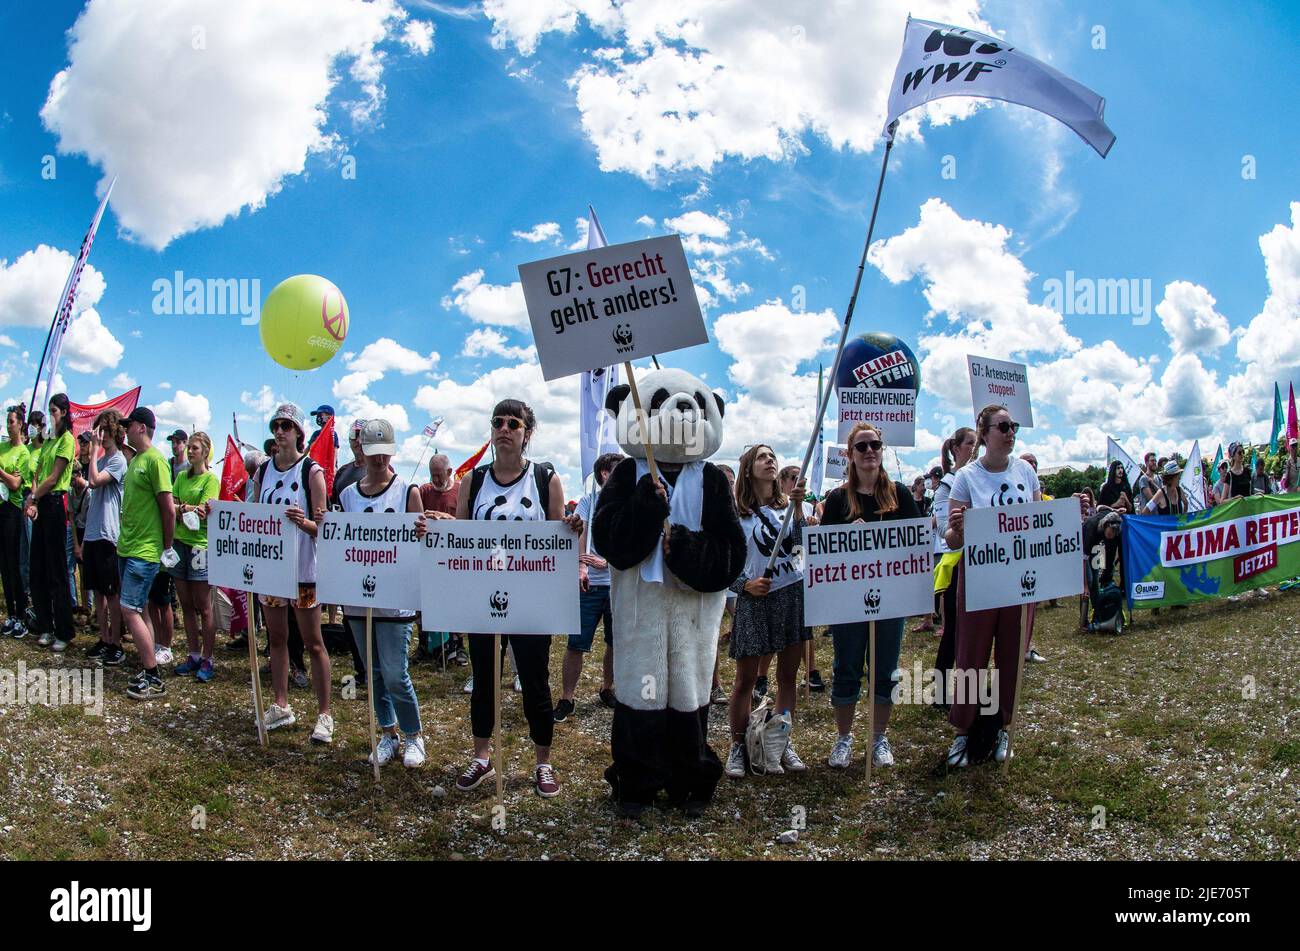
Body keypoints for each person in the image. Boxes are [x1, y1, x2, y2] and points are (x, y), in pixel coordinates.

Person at [451, 398, 582, 797]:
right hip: (484, 598)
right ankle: (482, 757)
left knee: (535, 680)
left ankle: (543, 762)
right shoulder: (473, 481)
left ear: (527, 433)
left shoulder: (545, 479)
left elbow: (559, 537)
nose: (504, 429)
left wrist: (572, 527)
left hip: (531, 602)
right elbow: (459, 538)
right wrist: (435, 535)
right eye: (498, 422)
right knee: (485, 679)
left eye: (514, 423)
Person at [944, 405, 1083, 766]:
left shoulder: (1026, 472)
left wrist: (1073, 513)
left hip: (1020, 583)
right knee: (971, 658)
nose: (1011, 432)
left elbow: (1041, 522)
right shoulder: (966, 477)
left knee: (1011, 657)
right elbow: (951, 539)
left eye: (1014, 426)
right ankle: (963, 733)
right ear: (985, 433)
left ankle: (1005, 727)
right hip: (979, 581)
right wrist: (957, 530)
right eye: (1003, 426)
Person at [820, 423, 921, 769]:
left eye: (874, 444)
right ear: (849, 455)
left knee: (886, 670)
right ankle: (844, 738)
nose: (869, 451)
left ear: (882, 449)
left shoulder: (901, 494)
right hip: (848, 601)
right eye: (861, 447)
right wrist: (849, 538)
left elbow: (915, 546)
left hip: (890, 598)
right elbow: (824, 553)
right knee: (846, 667)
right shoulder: (836, 499)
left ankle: (878, 737)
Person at [342, 418, 427, 769]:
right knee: (373, 672)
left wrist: (423, 531)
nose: (378, 460)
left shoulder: (407, 492)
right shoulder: (347, 495)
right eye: (371, 452)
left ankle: (413, 735)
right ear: (361, 450)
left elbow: (420, 544)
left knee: (395, 672)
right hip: (359, 598)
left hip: (395, 600)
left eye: (383, 453)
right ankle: (387, 732)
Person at [723, 444, 811, 778]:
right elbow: (726, 562)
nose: (770, 460)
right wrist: (744, 585)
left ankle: (780, 741)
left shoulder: (788, 507)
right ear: (747, 469)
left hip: (791, 597)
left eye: (772, 455)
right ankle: (737, 746)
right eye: (762, 457)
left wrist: (800, 510)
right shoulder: (736, 515)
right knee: (746, 680)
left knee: (788, 677)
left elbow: (803, 554)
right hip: (755, 601)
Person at [249, 403, 333, 742]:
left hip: (304, 571)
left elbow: (325, 528)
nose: (280, 431)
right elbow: (252, 518)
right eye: (276, 425)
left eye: (286, 425)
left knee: (314, 643)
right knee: (277, 639)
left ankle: (325, 713)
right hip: (272, 571)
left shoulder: (311, 472)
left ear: (299, 432)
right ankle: (280, 704)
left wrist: (305, 523)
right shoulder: (262, 472)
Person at [555, 451, 622, 722]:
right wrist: (582, 567)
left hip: (618, 585)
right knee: (576, 643)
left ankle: (608, 688)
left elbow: (631, 545)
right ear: (605, 473)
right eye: (618, 469)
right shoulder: (588, 501)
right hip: (590, 586)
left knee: (615, 642)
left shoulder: (628, 505)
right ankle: (567, 698)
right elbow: (578, 532)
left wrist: (607, 563)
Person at [116, 406, 176, 700]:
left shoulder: (156, 460)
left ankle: (153, 676)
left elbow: (168, 508)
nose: (126, 429)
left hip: (145, 550)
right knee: (139, 609)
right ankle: (147, 664)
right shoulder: (136, 460)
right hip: (127, 546)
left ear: (142, 427)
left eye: (129, 424)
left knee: (129, 609)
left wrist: (166, 546)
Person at [25, 393, 77, 652]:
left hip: (55, 504)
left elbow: (55, 476)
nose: (51, 414)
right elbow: (37, 473)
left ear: (65, 412)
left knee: (57, 571)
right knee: (38, 569)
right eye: (50, 410)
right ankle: (45, 625)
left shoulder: (67, 441)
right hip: (41, 505)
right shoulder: (47, 441)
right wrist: (33, 501)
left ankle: (64, 630)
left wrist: (34, 495)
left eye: (55, 410)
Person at [169, 432, 222, 682]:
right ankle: (193, 654)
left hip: (201, 545)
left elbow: (202, 512)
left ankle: (208, 657)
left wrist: (183, 509)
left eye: (195, 448)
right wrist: (185, 509)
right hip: (180, 543)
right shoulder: (180, 476)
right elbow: (174, 506)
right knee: (186, 604)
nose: (190, 452)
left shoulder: (211, 479)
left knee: (204, 606)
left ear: (206, 451)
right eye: (189, 447)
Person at [81, 410, 130, 666]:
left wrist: (94, 450)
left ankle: (116, 641)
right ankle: (103, 637)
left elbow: (95, 481)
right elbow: (90, 482)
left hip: (108, 534)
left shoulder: (118, 461)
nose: (103, 436)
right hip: (92, 532)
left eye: (107, 431)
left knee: (111, 593)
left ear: (116, 433)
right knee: (98, 592)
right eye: (101, 431)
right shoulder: (100, 460)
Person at [931, 426, 975, 707]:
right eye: (970, 443)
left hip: (980, 563)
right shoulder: (947, 486)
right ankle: (939, 694)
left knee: (973, 634)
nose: (975, 447)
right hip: (955, 566)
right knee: (953, 634)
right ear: (956, 448)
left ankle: (970, 693)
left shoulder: (980, 477)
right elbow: (944, 530)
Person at [417, 451, 462, 662]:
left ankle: (457, 646)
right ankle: (425, 645)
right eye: (432, 475)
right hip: (428, 557)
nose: (435, 480)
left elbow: (465, 523)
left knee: (454, 600)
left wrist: (446, 519)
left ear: (450, 472)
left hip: (453, 557)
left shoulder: (460, 491)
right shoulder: (424, 491)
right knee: (424, 600)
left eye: (439, 475)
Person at [0, 404, 32, 639]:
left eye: (12, 421)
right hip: (0, 509)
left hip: (13, 510)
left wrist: (1, 472)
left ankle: (21, 615)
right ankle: (10, 613)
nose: (9, 424)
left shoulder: (23, 453)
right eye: (7, 420)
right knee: (4, 566)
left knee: (14, 565)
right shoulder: (2, 447)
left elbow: (14, 484)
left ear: (20, 424)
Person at [329, 419, 366, 509]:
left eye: (364, 436)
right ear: (349, 439)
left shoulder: (383, 470)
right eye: (354, 435)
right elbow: (333, 504)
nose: (359, 440)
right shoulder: (342, 471)